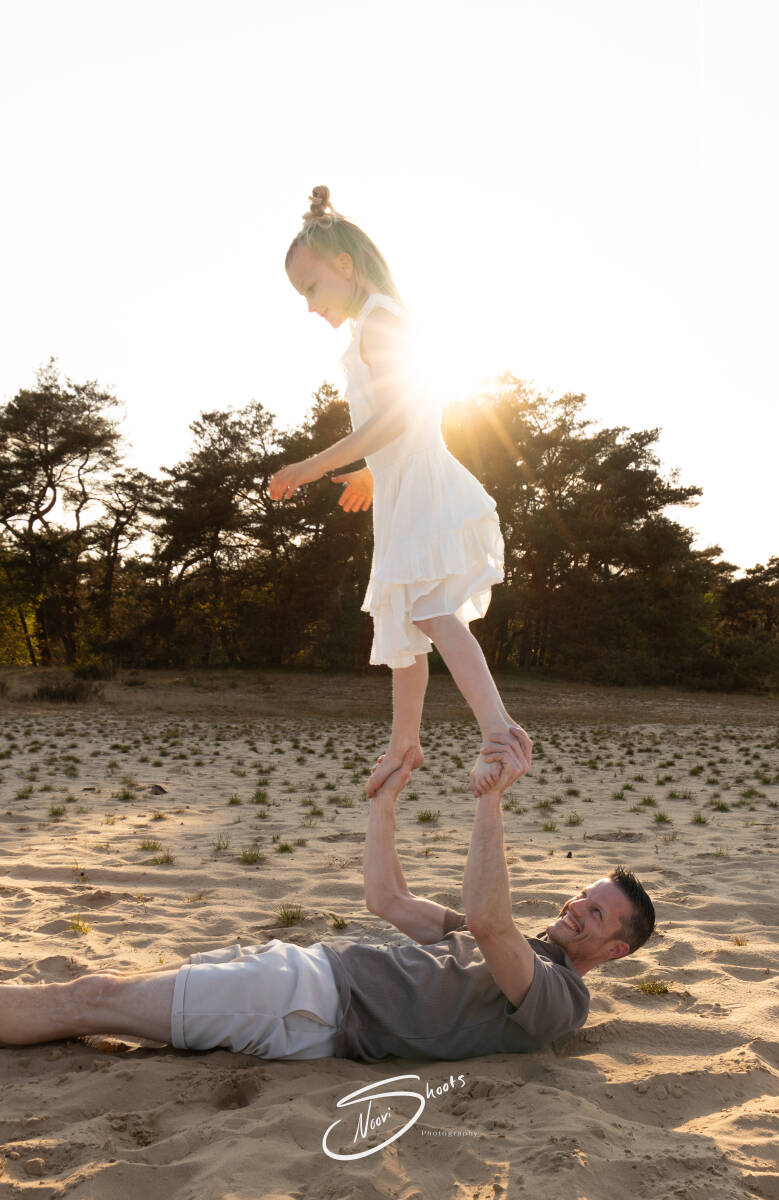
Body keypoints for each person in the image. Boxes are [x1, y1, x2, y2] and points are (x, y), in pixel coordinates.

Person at [0, 741, 655, 1062]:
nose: (576, 907)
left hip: (310, 1000)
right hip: (306, 979)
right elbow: (387, 898)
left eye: (596, 914)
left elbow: (490, 920)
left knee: (90, 998)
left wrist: (491, 798)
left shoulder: (560, 997)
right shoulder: (523, 948)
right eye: (583, 895)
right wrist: (385, 801)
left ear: (615, 950)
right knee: (103, 995)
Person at [268, 185, 532, 796]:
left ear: (344, 265)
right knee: (404, 617)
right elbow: (405, 416)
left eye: (311, 288)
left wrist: (313, 465)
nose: (309, 305)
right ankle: (404, 742)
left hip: (421, 484)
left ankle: (499, 730)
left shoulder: (381, 320)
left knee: (431, 609)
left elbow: (398, 414)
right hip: (401, 484)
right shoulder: (374, 322)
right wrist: (371, 471)